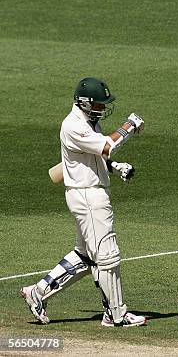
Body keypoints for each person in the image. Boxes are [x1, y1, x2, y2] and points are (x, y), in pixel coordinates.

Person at [20, 77, 146, 327]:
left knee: (86, 256)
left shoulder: (89, 122)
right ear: (85, 103)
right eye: (99, 104)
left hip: (88, 192)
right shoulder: (73, 125)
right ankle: (115, 314)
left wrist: (115, 167)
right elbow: (108, 147)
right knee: (107, 256)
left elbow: (94, 158)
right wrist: (129, 126)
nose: (102, 108)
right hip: (88, 196)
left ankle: (37, 293)